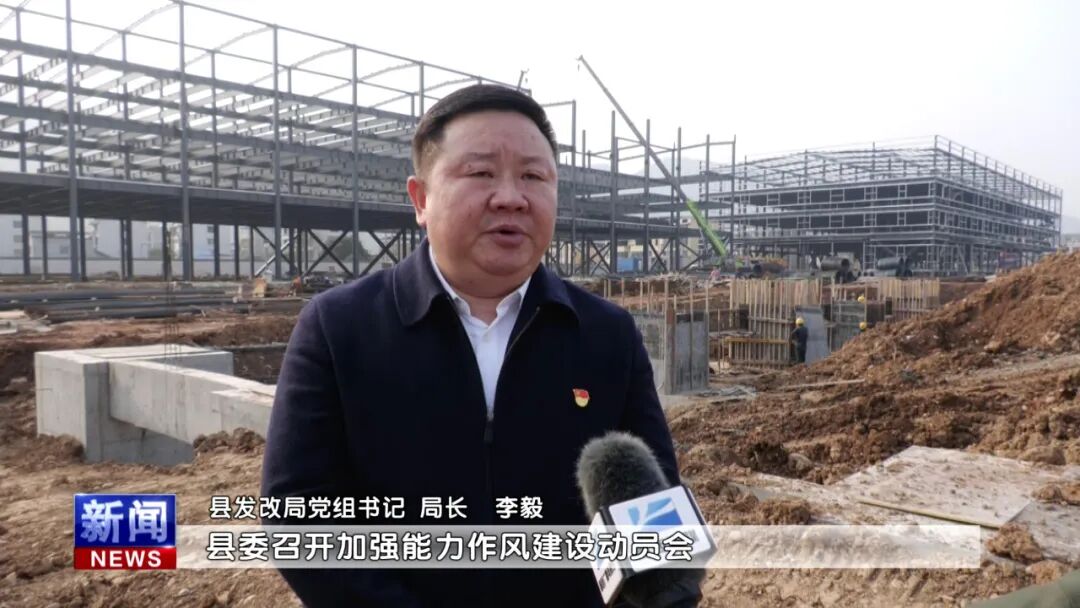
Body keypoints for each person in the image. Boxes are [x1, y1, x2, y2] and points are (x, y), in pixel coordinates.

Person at [261, 85, 683, 608]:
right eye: (481, 173)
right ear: (420, 199)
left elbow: (657, 516)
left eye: (534, 176)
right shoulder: (338, 327)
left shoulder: (607, 334)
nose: (511, 197)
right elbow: (298, 515)